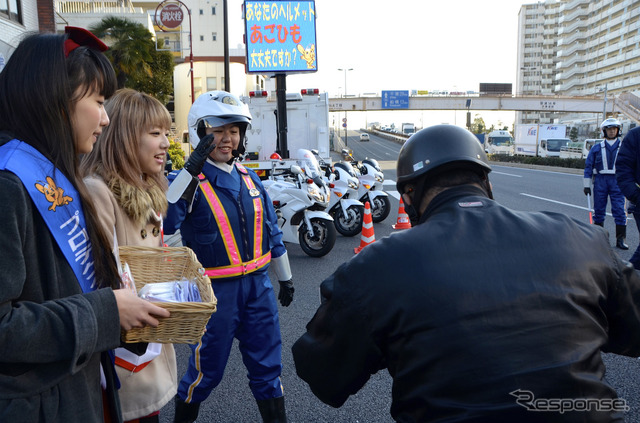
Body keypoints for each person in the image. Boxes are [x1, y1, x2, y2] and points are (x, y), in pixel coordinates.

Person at [292, 124, 640, 422]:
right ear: (486, 183)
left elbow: (323, 375)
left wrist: (389, 341)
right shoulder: (581, 238)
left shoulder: (375, 267)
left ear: (409, 198)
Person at [0, 28, 169, 422]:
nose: (106, 117)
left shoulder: (55, 174)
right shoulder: (10, 184)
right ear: (56, 100)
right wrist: (106, 311)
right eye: (98, 101)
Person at [164, 90, 295, 423]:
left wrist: (285, 277)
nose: (227, 139)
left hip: (258, 290)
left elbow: (272, 231)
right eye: (218, 130)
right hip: (214, 294)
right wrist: (188, 171)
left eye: (234, 131)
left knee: (268, 368)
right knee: (205, 372)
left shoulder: (251, 179)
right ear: (200, 133)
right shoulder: (186, 183)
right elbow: (164, 222)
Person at [80, 88, 177, 423]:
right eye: (154, 134)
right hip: (123, 358)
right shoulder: (99, 191)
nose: (165, 142)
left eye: (167, 133)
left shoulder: (149, 188)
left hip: (147, 346)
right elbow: (99, 280)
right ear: (122, 137)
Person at [583, 117, 628, 249]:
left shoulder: (624, 147)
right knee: (599, 210)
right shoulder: (596, 148)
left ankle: (620, 240)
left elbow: (630, 165)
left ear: (618, 130)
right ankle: (599, 239)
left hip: (617, 181)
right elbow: (588, 167)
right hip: (601, 181)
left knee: (620, 210)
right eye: (609, 129)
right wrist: (587, 185)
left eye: (614, 129)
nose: (612, 131)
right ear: (604, 131)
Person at [616, 124, 640, 268]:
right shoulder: (635, 135)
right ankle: (624, 280)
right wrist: (635, 195)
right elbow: (623, 168)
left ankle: (624, 279)